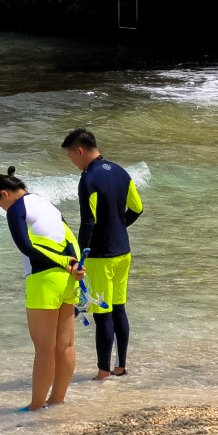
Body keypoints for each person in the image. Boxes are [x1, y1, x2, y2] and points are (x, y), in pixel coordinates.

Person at [0, 166, 83, 412]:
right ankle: (57, 400)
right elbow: (70, 239)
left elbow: (26, 246)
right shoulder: (47, 204)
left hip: (44, 280)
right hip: (68, 279)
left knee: (44, 348)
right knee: (65, 344)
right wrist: (75, 266)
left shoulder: (17, 209)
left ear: (4, 194)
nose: (4, 210)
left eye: (1, 205)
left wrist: (63, 263)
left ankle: (36, 405)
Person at [63, 129, 143, 379]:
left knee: (103, 314)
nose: (72, 162)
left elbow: (88, 222)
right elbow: (137, 208)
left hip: (100, 257)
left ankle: (103, 372)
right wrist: (118, 227)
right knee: (119, 309)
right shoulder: (121, 171)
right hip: (123, 252)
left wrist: (78, 257)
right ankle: (120, 366)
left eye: (70, 156)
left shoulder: (88, 179)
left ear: (80, 151)